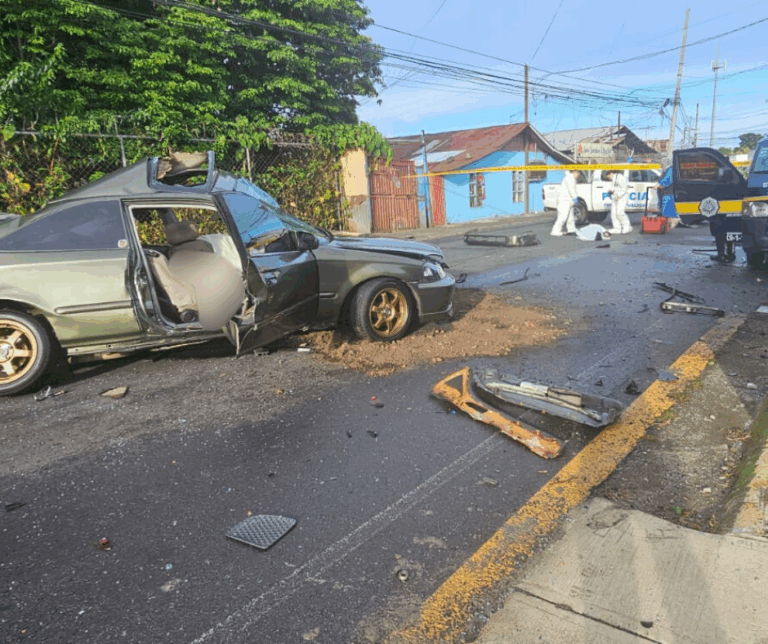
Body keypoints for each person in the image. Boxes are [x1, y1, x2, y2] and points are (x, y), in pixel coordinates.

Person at [550, 169, 580, 237]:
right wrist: (575, 197)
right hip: (565, 201)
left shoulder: (571, 178)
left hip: (569, 201)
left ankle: (571, 229)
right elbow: (571, 189)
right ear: (575, 172)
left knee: (570, 216)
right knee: (563, 216)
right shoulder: (569, 178)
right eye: (578, 174)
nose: (578, 176)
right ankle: (555, 231)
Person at [606, 169, 631, 234]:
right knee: (613, 214)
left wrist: (618, 195)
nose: (609, 178)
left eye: (608, 177)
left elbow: (624, 188)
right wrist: (611, 191)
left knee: (620, 213)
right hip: (615, 197)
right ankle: (617, 228)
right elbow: (614, 187)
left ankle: (626, 227)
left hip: (622, 198)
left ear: (611, 173)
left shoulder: (620, 177)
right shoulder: (614, 179)